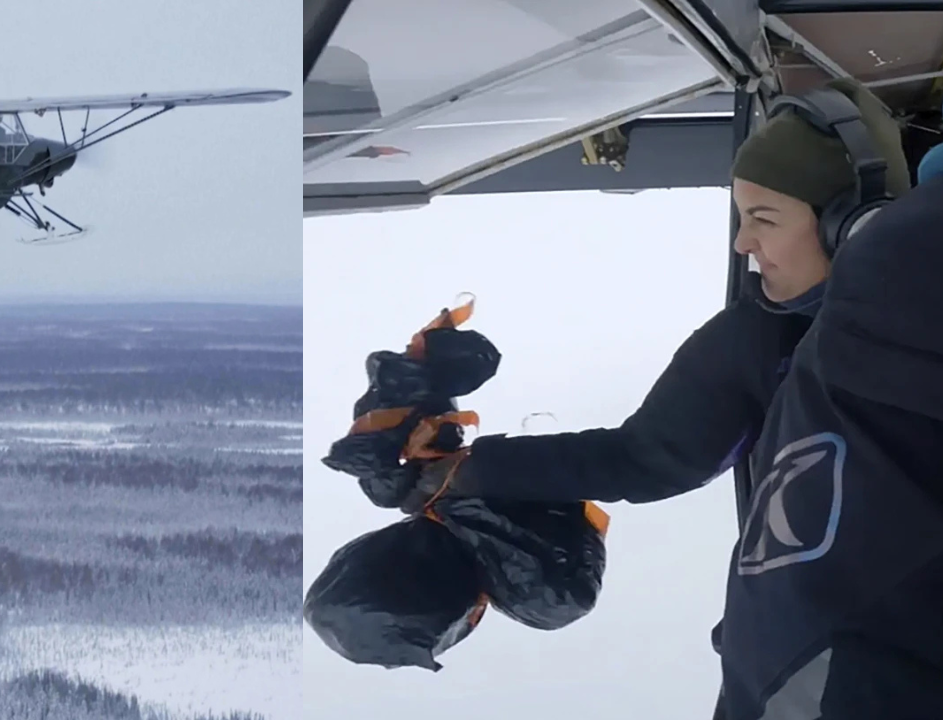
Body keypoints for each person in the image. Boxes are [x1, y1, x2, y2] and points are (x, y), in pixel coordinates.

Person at [400, 77, 943, 719]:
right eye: (741, 220)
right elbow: (648, 455)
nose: (744, 246)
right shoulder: (759, 337)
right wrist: (469, 472)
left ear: (853, 225)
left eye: (764, 220)